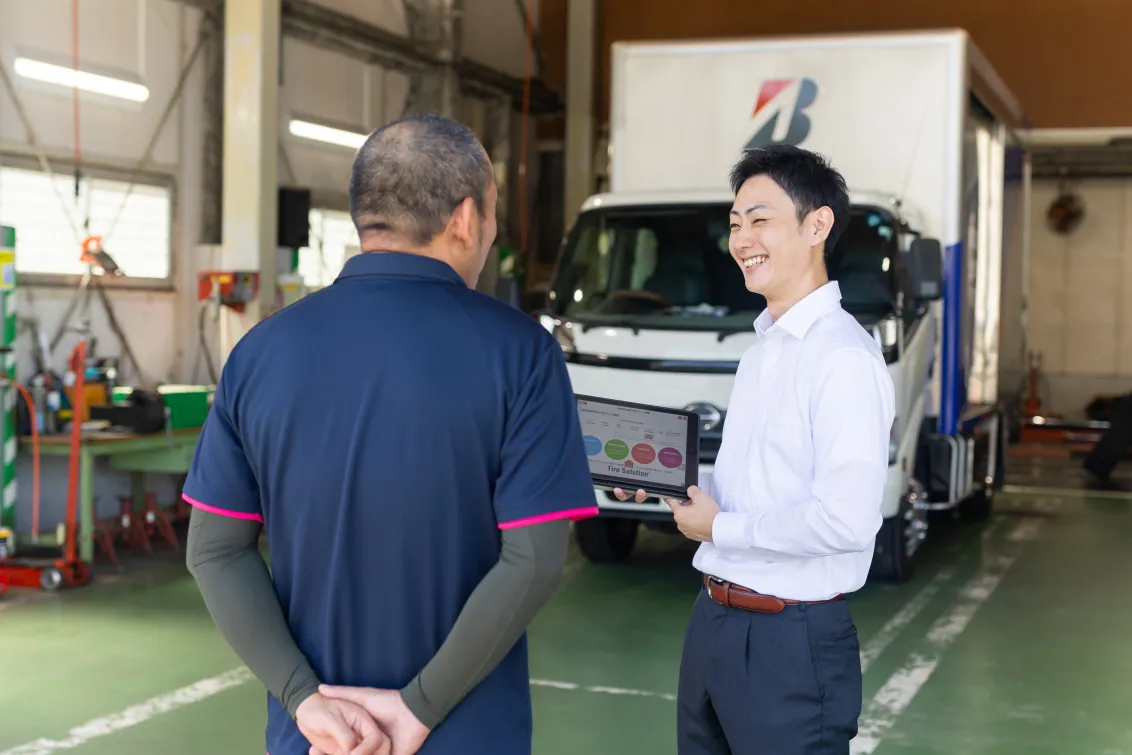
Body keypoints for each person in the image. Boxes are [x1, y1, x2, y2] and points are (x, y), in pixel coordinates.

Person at [183, 113, 599, 755]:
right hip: (464, 732)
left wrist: (304, 697)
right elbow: (537, 558)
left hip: (317, 737)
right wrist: (417, 709)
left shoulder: (260, 352)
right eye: (491, 216)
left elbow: (214, 551)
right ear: (465, 219)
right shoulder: (521, 354)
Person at [614, 144, 895, 754]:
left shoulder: (843, 357)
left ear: (816, 225)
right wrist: (675, 487)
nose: (742, 239)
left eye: (760, 220)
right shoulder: (764, 347)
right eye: (736, 224)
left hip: (791, 641)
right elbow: (752, 487)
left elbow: (845, 521)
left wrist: (723, 528)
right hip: (715, 620)